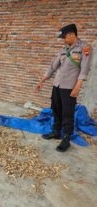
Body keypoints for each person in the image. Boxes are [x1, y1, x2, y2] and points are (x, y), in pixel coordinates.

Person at [37, 24, 92, 152]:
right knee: (55, 109)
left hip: (69, 87)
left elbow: (85, 69)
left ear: (72, 34)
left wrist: (78, 86)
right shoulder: (64, 48)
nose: (63, 40)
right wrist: (42, 80)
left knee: (67, 113)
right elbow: (53, 66)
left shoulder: (85, 48)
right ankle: (56, 132)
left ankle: (66, 139)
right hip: (57, 85)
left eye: (65, 37)